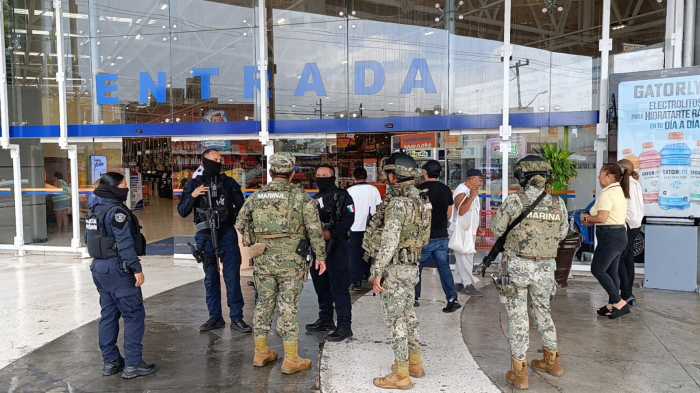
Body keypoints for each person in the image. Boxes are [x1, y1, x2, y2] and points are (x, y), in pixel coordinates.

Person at [235, 152, 327, 374]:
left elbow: (240, 222)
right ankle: (291, 359)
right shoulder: (300, 197)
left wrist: (253, 242)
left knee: (263, 304)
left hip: (264, 260)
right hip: (291, 262)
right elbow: (315, 230)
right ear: (292, 174)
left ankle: (261, 352)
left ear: (270, 172)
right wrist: (320, 257)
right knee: (288, 306)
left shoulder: (257, 197)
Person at [491, 155, 568, 390]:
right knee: (543, 312)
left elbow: (497, 229)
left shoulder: (515, 201)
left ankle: (520, 372)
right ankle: (551, 361)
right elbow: (562, 233)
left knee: (518, 317)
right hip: (545, 267)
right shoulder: (558, 204)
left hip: (518, 267)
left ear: (522, 177)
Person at [370, 152, 431, 390]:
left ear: (395, 176)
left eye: (388, 174)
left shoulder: (397, 204)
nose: (387, 178)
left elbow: (389, 241)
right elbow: (424, 237)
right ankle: (415, 363)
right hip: (412, 266)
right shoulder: (423, 201)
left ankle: (401, 374)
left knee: (396, 320)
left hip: (395, 267)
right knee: (409, 317)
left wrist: (377, 272)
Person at [87, 172, 156, 379]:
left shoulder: (94, 210)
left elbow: (88, 239)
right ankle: (133, 364)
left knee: (109, 314)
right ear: (114, 187)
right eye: (124, 185)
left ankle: (111, 362)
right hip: (118, 269)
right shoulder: (117, 212)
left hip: (99, 268)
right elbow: (125, 243)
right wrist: (136, 269)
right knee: (134, 314)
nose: (126, 189)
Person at [177, 149, 251, 333]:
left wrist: (228, 218)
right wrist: (193, 196)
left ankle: (237, 318)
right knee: (210, 278)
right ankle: (215, 317)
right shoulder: (194, 183)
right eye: (214, 159)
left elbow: (242, 208)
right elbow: (182, 211)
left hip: (226, 233)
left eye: (220, 159)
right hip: (204, 235)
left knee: (232, 277)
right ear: (204, 161)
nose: (218, 162)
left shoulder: (228, 182)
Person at [306, 165, 355, 342]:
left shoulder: (343, 196)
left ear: (333, 177)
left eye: (325, 175)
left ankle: (344, 326)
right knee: (321, 286)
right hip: (318, 250)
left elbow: (349, 219)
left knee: (339, 289)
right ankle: (325, 319)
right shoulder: (314, 199)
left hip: (338, 248)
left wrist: (331, 233)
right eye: (318, 175)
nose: (321, 178)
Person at [583, 163, 630, 319]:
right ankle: (612, 304)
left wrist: (588, 218)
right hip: (618, 235)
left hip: (610, 236)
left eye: (601, 174)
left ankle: (618, 302)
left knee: (597, 269)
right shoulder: (618, 190)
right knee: (611, 271)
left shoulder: (608, 194)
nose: (599, 177)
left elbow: (602, 217)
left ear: (609, 176)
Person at [413, 160, 460, 312]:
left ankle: (413, 298)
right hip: (441, 236)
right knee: (444, 268)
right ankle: (452, 299)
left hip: (423, 237)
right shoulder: (445, 189)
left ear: (425, 173)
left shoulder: (418, 189)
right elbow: (450, 213)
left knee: (415, 267)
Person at [347, 166, 382, 291]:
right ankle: (368, 275)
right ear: (366, 176)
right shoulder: (374, 190)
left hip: (354, 227)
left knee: (354, 255)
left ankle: (356, 281)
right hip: (370, 228)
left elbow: (347, 209)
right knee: (369, 253)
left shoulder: (349, 190)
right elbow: (379, 208)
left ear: (354, 177)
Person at [451, 168, 484, 296]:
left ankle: (458, 282)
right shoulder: (461, 191)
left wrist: (478, 227)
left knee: (463, 257)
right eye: (479, 180)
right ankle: (468, 284)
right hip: (462, 231)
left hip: (469, 230)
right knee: (466, 258)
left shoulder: (472, 191)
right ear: (471, 179)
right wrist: (472, 196)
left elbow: (474, 211)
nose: (481, 183)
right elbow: (462, 211)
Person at [618, 159, 643, 307]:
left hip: (627, 225)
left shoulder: (625, 184)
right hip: (636, 225)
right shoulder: (636, 183)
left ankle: (626, 294)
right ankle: (628, 294)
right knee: (628, 259)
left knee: (620, 258)